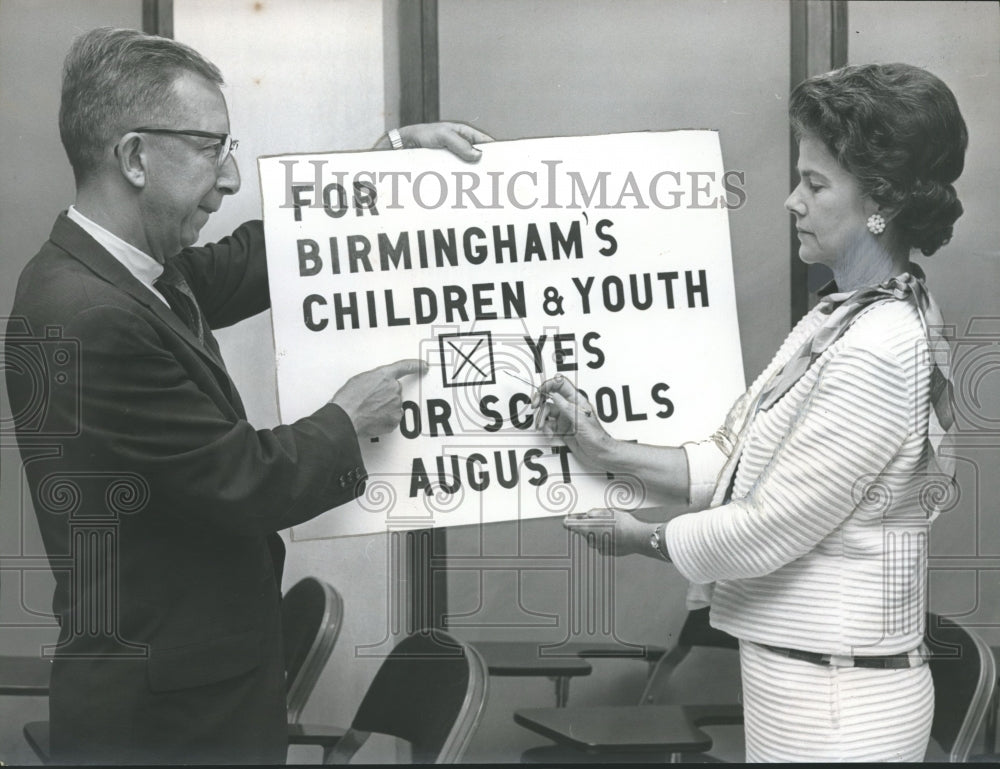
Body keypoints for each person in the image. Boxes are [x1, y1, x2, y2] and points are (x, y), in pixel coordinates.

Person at [4, 26, 489, 765]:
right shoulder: (91, 314)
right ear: (134, 156)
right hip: (166, 720)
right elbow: (243, 480)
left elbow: (257, 259)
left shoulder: (125, 274)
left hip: (182, 690)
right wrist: (347, 418)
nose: (230, 179)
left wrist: (383, 167)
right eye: (210, 149)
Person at [538, 63, 966, 762]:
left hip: (840, 710)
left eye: (816, 184)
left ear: (880, 200)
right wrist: (608, 449)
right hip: (808, 688)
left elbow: (769, 526)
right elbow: (734, 458)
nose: (792, 201)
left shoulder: (880, 344)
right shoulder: (841, 317)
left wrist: (640, 536)